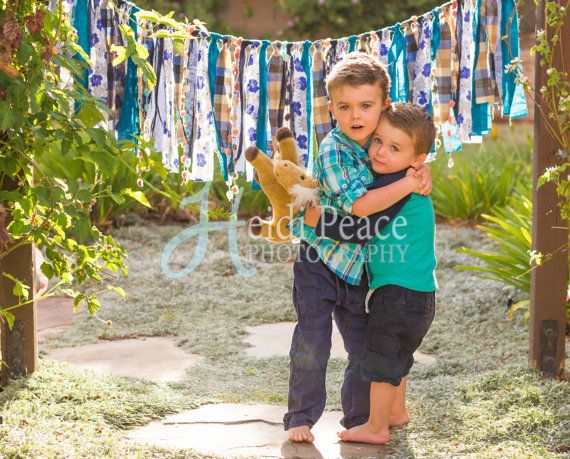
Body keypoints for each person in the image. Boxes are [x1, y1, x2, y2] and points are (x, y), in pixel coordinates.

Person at [284, 53, 432, 443]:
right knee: (312, 340)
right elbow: (363, 210)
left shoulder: (386, 148)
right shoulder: (334, 149)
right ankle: (300, 416)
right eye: (345, 107)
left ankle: (359, 420)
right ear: (331, 108)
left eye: (366, 106)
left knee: (363, 346)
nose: (356, 116)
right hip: (319, 259)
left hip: (357, 270)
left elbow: (407, 165)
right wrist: (410, 182)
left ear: (385, 106)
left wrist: (419, 169)